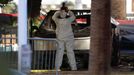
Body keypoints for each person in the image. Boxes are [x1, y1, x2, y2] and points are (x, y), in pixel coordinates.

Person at [52, 2, 77, 71]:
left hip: (62, 38)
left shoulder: (58, 20)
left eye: (63, 12)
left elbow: (53, 17)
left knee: (60, 52)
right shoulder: (68, 20)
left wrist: (59, 11)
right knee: (69, 52)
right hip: (68, 38)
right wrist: (68, 11)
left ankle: (57, 67)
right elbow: (73, 16)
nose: (63, 14)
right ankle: (73, 67)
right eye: (62, 13)